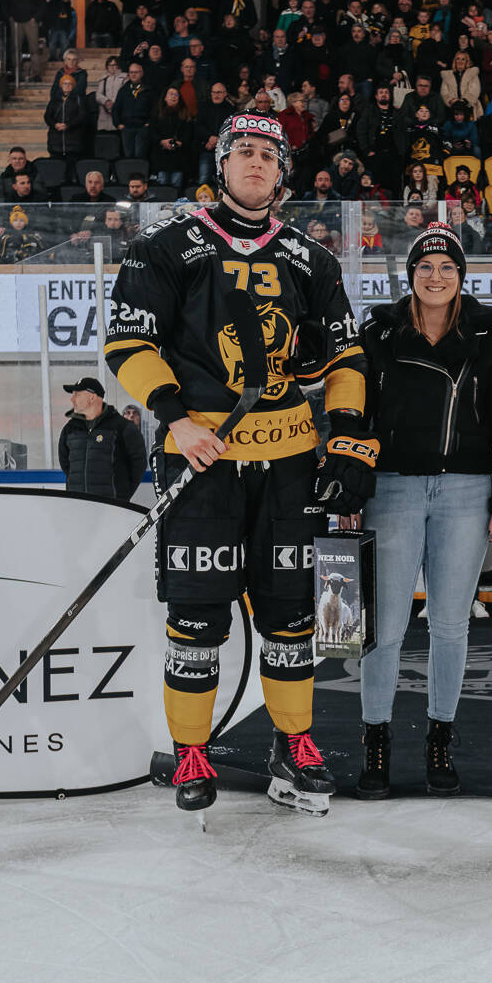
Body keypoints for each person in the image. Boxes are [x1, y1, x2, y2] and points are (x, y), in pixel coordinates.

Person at [104, 111, 373, 822]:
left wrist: (348, 440)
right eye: (243, 151)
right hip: (203, 460)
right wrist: (177, 418)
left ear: (282, 173)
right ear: (221, 163)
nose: (255, 162)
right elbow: (128, 343)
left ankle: (295, 742)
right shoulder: (163, 246)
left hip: (289, 463)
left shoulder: (312, 260)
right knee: (196, 617)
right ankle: (192, 750)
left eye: (267, 155)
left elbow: (347, 358)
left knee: (293, 615)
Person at [354, 224, 492, 799]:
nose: (436, 276)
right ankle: (376, 741)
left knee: (451, 625)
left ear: (461, 276)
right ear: (410, 275)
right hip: (391, 489)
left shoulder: (489, 335)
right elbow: (354, 414)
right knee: (384, 628)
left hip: (466, 492)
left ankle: (439, 740)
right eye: (425, 266)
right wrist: (350, 492)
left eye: (447, 267)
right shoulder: (378, 332)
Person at [57, 376, 146, 503]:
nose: (72, 399)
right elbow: (65, 463)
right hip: (77, 504)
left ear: (92, 397)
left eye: (77, 394)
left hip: (112, 506)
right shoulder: (70, 429)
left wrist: (122, 496)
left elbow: (138, 464)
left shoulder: (122, 427)